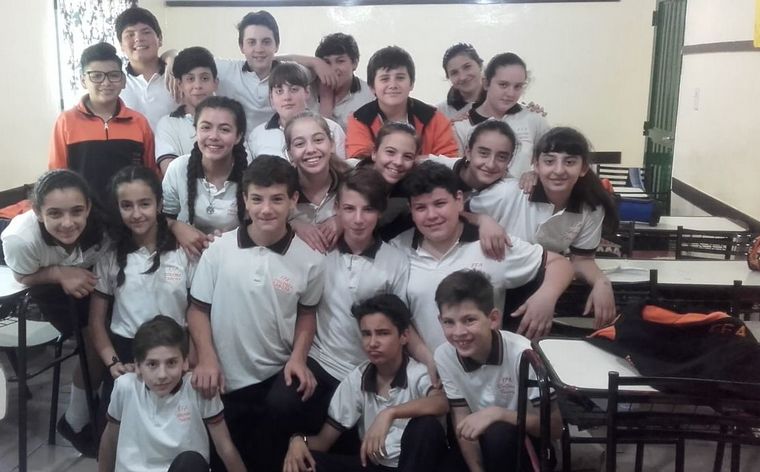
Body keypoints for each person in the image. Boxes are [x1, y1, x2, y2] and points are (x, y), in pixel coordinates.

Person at [187, 156, 326, 471]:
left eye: (277, 199)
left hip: (275, 376)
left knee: (269, 459)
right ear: (245, 201)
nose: (266, 209)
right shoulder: (219, 250)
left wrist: (298, 358)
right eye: (257, 199)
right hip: (224, 378)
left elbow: (307, 315)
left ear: (293, 200)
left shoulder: (311, 260)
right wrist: (206, 358)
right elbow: (197, 310)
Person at [391, 161, 574, 344]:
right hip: (422, 361)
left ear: (459, 200)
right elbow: (397, 318)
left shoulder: (491, 242)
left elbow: (559, 263)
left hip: (487, 360)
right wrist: (428, 359)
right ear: (411, 209)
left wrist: (546, 297)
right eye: (421, 207)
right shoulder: (398, 249)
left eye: (440, 204)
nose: (431, 215)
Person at [1, 170, 108, 457]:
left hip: (95, 276)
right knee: (96, 343)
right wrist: (59, 273)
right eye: (55, 213)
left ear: (88, 207)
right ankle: (75, 421)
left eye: (76, 211)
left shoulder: (106, 224)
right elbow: (22, 276)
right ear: (37, 212)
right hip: (46, 283)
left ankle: (103, 407)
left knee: (118, 333)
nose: (68, 222)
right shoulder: (20, 239)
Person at [468, 127, 619, 327]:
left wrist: (601, 282)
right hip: (492, 283)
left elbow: (581, 259)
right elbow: (457, 213)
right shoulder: (508, 193)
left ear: (583, 168)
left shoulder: (590, 207)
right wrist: (482, 220)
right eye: (549, 161)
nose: (559, 170)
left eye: (570, 162)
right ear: (536, 164)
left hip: (543, 282)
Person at [283, 294, 448, 472]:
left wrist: (389, 413)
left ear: (404, 336)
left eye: (383, 333)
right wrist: (298, 441)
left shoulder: (418, 373)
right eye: (366, 334)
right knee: (305, 462)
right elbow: (324, 441)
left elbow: (441, 402)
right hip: (375, 465)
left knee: (425, 426)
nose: (373, 343)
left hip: (417, 465)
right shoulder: (357, 378)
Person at [89, 166, 194, 422]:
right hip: (127, 354)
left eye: (145, 204)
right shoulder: (109, 255)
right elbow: (96, 321)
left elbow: (198, 313)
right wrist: (113, 363)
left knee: (176, 427)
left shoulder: (183, 251)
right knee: (118, 430)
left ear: (159, 204)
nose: (136, 214)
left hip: (174, 354)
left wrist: (191, 359)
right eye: (127, 205)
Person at [434, 270, 562, 472]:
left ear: (493, 319)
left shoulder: (523, 353)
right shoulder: (444, 355)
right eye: (449, 322)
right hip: (483, 441)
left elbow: (554, 428)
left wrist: (499, 414)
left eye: (469, 320)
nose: (459, 332)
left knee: (498, 432)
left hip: (529, 444)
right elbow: (462, 418)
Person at [98, 315, 246, 472]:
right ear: (138, 366)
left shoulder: (197, 388)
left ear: (185, 362)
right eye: (152, 364)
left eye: (171, 363)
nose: (162, 374)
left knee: (190, 461)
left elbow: (225, 446)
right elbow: (110, 440)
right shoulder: (125, 387)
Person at [49, 42, 156, 204]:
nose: (106, 83)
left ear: (123, 81)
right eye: (96, 76)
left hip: (128, 213)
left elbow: (150, 174)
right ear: (83, 80)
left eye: (113, 75)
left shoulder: (139, 122)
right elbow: (57, 177)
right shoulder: (66, 122)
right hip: (83, 214)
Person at [162, 96, 248, 258]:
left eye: (224, 129)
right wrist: (175, 226)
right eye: (206, 127)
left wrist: (229, 240)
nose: (213, 136)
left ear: (238, 136)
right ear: (196, 131)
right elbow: (161, 218)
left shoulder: (251, 175)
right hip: (186, 260)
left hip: (235, 258)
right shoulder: (179, 168)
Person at [346, 46, 458, 158]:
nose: (393, 85)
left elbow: (448, 161)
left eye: (400, 78)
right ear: (372, 87)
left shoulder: (434, 118)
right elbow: (361, 163)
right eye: (385, 79)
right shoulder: (359, 120)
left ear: (411, 83)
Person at [453, 53, 550, 179]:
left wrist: (534, 174)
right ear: (486, 83)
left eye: (518, 86)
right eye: (503, 85)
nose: (510, 93)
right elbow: (457, 173)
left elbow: (550, 162)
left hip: (520, 191)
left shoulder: (534, 120)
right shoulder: (461, 126)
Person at [247, 63, 345, 160]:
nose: (287, 97)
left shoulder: (332, 129)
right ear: (271, 97)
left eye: (293, 89)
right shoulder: (257, 135)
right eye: (279, 91)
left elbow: (341, 168)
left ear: (307, 92)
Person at [283, 111, 348, 253]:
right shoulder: (281, 191)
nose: (311, 149)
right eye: (300, 144)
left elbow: (376, 210)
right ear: (290, 153)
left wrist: (345, 219)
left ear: (332, 144)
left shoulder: (352, 181)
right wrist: (291, 224)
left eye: (318, 140)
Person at [155, 46, 219, 174]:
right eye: (190, 79)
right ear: (180, 84)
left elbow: (242, 166)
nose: (198, 86)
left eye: (204, 78)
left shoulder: (230, 120)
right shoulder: (168, 124)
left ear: (215, 83)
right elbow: (171, 174)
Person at [351, 122, 420, 241]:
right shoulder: (348, 178)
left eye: (407, 156)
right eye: (390, 152)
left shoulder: (410, 191)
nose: (398, 162)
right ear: (374, 153)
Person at [115, 6, 177, 131]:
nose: (138, 38)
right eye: (130, 34)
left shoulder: (177, 75)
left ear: (160, 39)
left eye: (146, 32)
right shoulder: (115, 83)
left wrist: (174, 56)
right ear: (121, 45)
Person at [314, 33, 375, 130]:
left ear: (355, 63)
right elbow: (285, 62)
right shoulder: (307, 88)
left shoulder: (370, 96)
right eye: (327, 62)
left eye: (340, 61)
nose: (333, 69)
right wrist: (313, 62)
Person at [436, 43, 486, 121]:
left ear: (480, 65)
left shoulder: (500, 101)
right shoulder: (440, 112)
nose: (462, 77)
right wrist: (447, 126)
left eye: (467, 67)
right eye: (454, 73)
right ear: (448, 77)